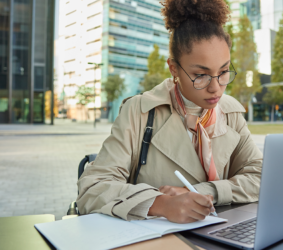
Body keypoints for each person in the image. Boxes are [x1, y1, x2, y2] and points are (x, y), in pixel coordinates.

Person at [76, 0, 263, 224]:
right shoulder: (139, 111)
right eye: (200, 75)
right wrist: (160, 204)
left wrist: (206, 191)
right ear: (174, 68)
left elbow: (262, 176)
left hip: (217, 234)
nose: (216, 87)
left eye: (223, 71)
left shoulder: (231, 113)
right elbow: (92, 188)